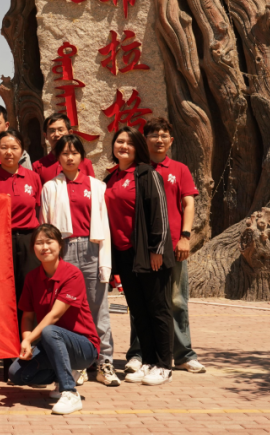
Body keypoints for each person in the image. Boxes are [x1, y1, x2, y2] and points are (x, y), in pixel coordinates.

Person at [123, 118, 205, 375]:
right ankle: (138, 353)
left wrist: (185, 237)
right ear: (144, 139)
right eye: (153, 135)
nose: (159, 140)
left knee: (177, 300)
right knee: (140, 302)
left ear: (171, 140)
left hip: (173, 246)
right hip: (142, 249)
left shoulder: (179, 169)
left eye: (164, 135)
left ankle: (183, 354)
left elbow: (188, 204)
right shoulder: (136, 169)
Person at [39, 134, 119, 387]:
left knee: (98, 308)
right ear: (58, 158)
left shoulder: (96, 186)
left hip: (91, 248)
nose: (70, 157)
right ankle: (78, 363)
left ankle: (104, 362)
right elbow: (45, 225)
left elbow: (104, 226)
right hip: (64, 250)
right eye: (65, 153)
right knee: (67, 309)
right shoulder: (50, 187)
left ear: (82, 157)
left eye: (74, 153)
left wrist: (104, 260)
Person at [104, 126, 174, 386]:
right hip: (124, 255)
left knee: (158, 309)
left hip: (148, 254)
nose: (123, 146)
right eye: (119, 141)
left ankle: (164, 365)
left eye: (129, 143)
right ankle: (147, 361)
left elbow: (160, 213)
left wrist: (157, 249)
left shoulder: (147, 174)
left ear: (138, 148)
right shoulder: (111, 178)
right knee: (138, 311)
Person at [8, 224, 100, 416]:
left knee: (50, 330)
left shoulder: (72, 274)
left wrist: (29, 339)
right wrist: (26, 342)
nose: (44, 247)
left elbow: (54, 316)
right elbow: (27, 316)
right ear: (33, 248)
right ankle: (64, 374)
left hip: (84, 347)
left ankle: (69, 392)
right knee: (16, 373)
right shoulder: (32, 278)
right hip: (52, 344)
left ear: (60, 245)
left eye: (49, 242)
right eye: (39, 243)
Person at [0, 130, 44, 303]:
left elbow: (39, 209)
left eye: (14, 148)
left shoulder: (33, 178)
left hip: (29, 240)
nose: (9, 152)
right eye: (4, 147)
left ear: (22, 151)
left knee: (30, 287)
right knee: (6, 290)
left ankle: (30, 321)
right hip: (2, 241)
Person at [32, 114, 95, 184]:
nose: (56, 134)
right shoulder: (37, 167)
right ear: (45, 135)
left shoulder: (85, 163)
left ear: (70, 133)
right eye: (52, 131)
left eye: (60, 130)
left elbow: (92, 188)